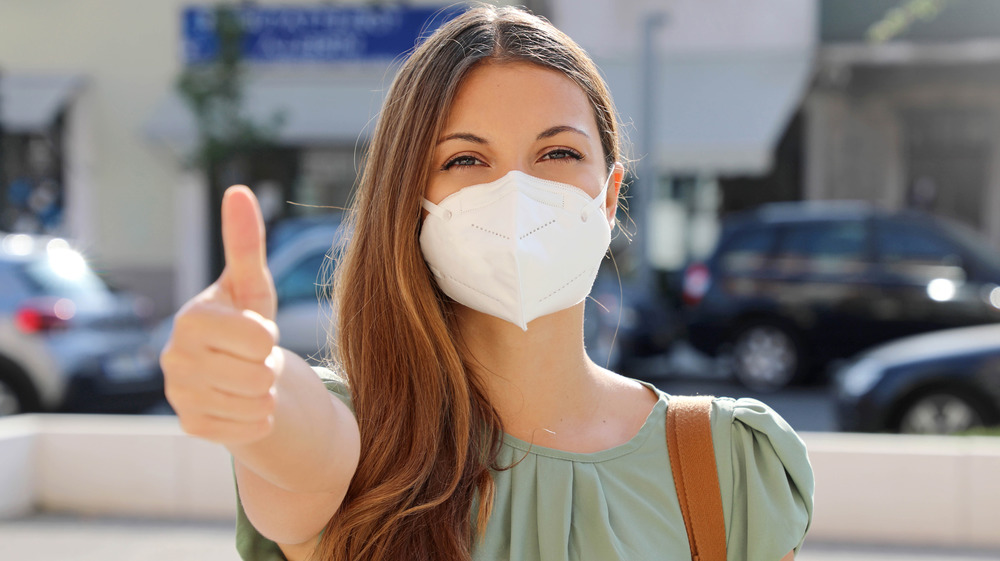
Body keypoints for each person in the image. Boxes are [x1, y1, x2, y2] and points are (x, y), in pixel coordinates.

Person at [160, 5, 813, 561]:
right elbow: (300, 445)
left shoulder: (724, 462)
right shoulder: (360, 439)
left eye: (558, 153)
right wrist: (259, 381)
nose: (517, 193)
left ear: (610, 198)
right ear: (412, 201)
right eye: (466, 159)